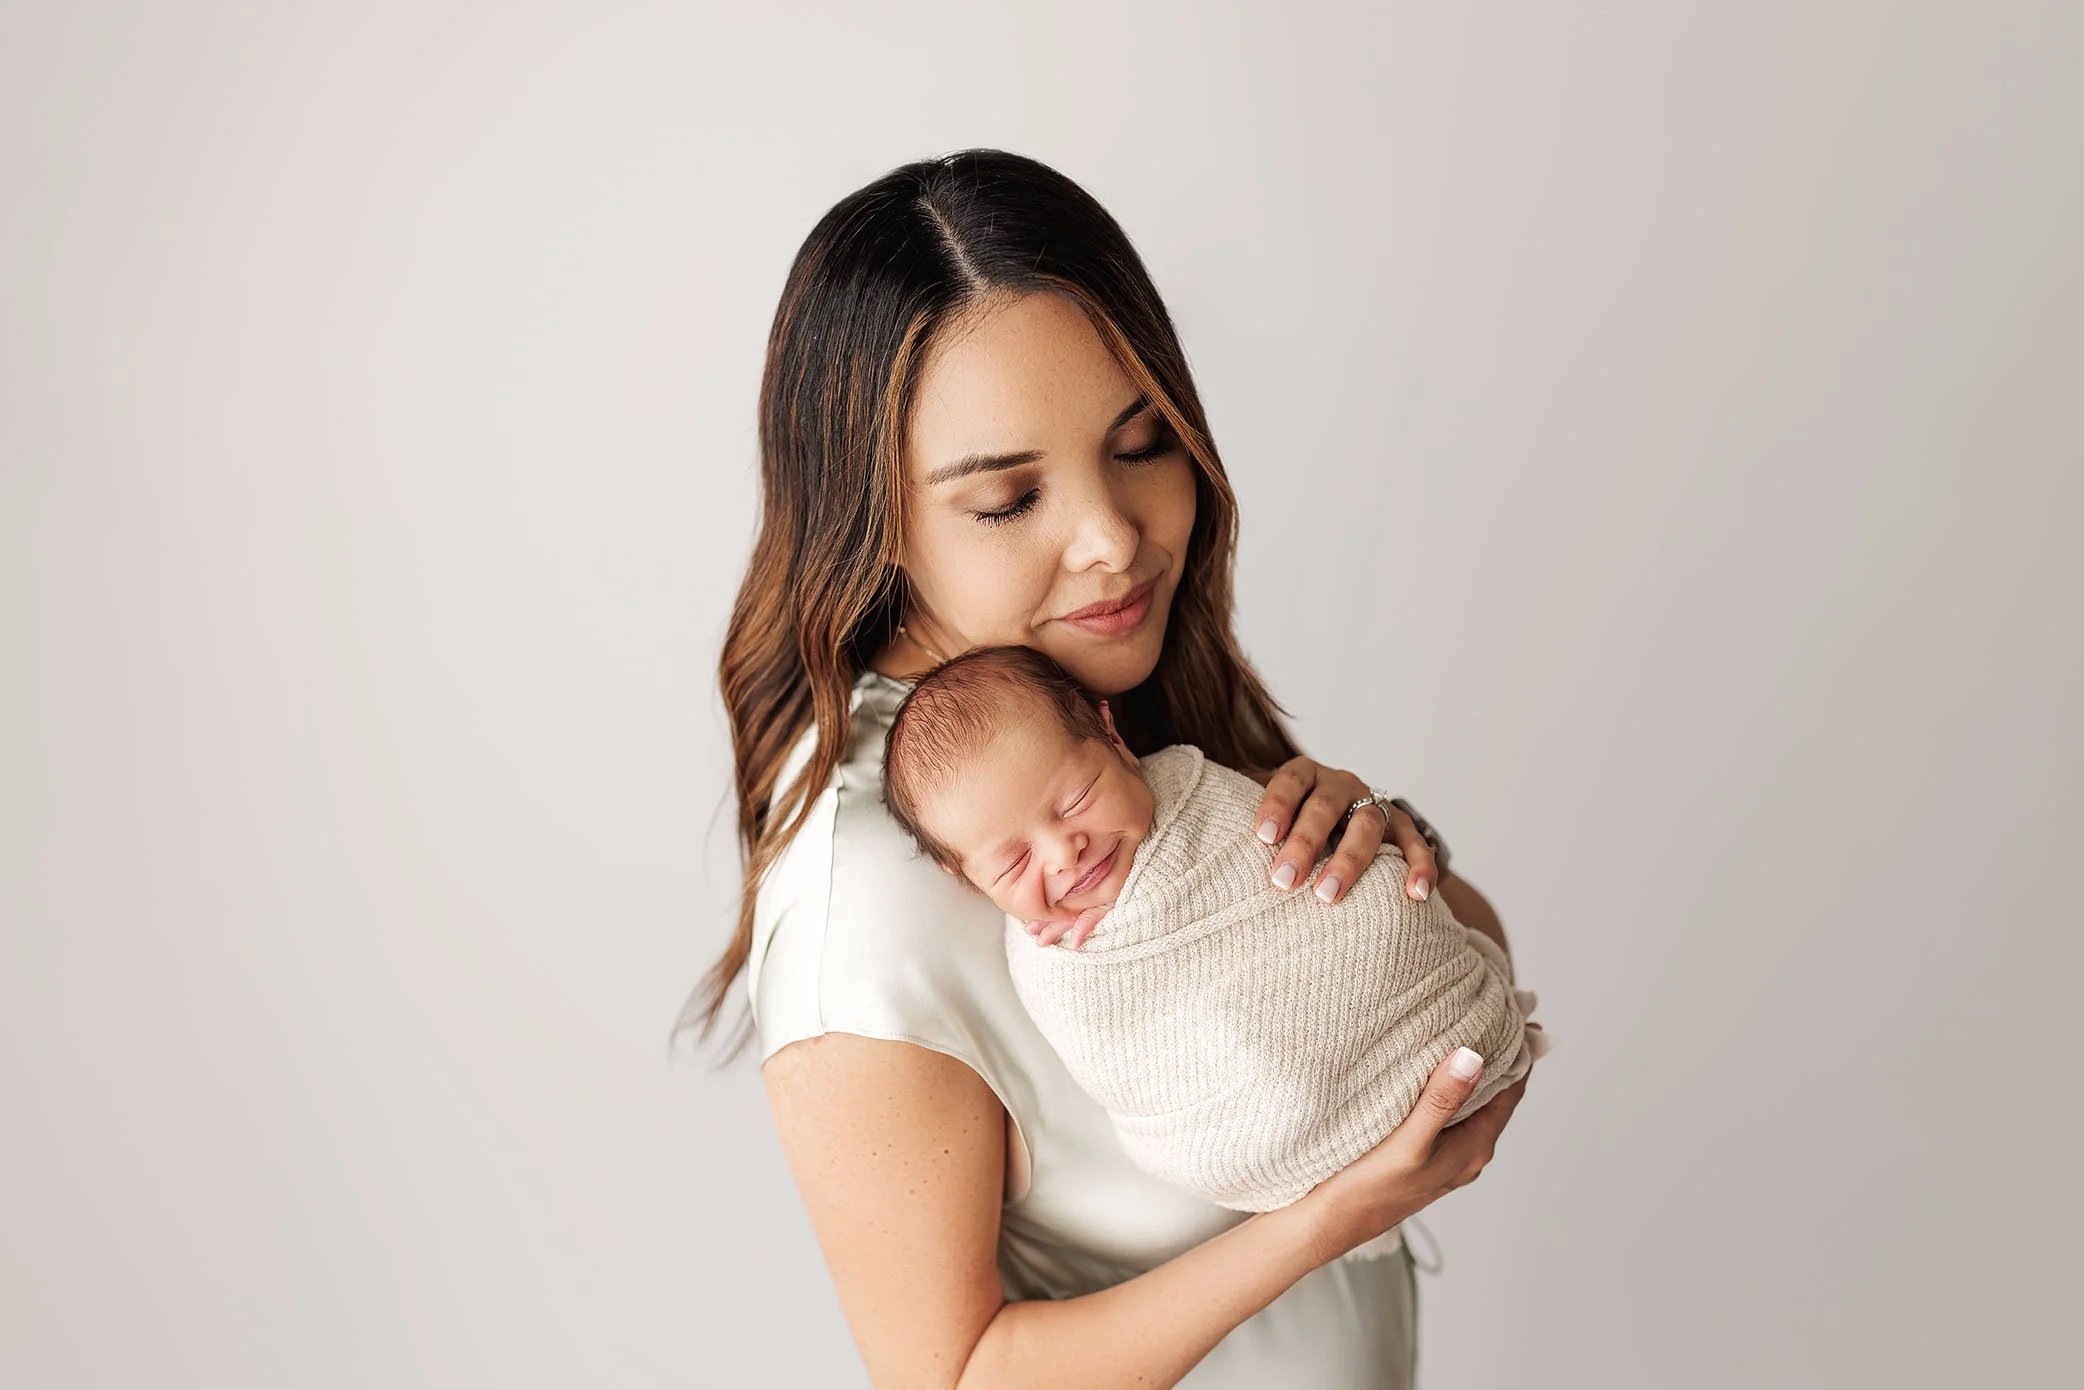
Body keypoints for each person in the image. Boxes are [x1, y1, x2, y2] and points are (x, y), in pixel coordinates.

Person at [675, 148, 1538, 1388]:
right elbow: (951, 1377)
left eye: (1140, 444)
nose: (1113, 539)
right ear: (871, 521)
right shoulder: (861, 922)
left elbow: (1472, 954)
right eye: (1005, 498)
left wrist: (1384, 849)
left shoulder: (1090, 710)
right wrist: (1323, 1223)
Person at [874, 641, 1548, 1254]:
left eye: (1076, 799)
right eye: (1013, 863)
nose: (1062, 853)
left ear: (1112, 736)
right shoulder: (1042, 966)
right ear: (966, 879)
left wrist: (1399, 837)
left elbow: (1376, 909)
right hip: (1261, 1159)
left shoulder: (1201, 787)